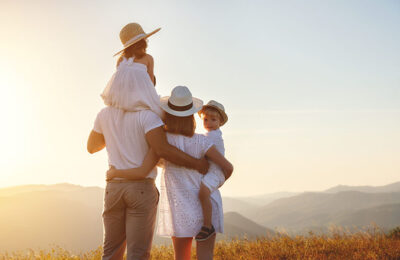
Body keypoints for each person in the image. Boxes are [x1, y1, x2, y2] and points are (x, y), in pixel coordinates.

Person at [87, 24, 209, 260]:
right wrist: (197, 164)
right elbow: (163, 149)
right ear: (146, 76)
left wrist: (114, 135)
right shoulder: (148, 116)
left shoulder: (104, 115)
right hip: (140, 189)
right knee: (138, 253)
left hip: (113, 187)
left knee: (110, 252)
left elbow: (92, 147)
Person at [107, 86, 233, 260]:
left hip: (179, 207)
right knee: (205, 257)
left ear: (167, 114)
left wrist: (115, 172)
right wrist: (211, 184)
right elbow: (227, 168)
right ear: (192, 115)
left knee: (181, 257)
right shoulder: (202, 142)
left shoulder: (162, 144)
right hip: (205, 208)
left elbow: (143, 171)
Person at [195, 100, 229, 241]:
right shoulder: (211, 134)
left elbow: (200, 146)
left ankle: (207, 226)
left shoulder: (212, 136)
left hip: (216, 172)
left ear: (220, 122)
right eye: (205, 119)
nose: (208, 123)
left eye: (213, 120)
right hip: (213, 171)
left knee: (203, 192)